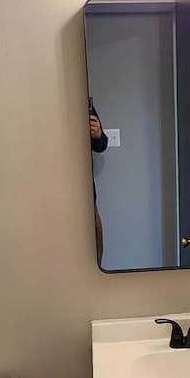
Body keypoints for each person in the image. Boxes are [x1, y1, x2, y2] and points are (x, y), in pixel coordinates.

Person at [89, 99, 108, 264]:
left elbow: (102, 145)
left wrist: (98, 135)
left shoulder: (82, 103)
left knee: (95, 248)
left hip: (86, 194)